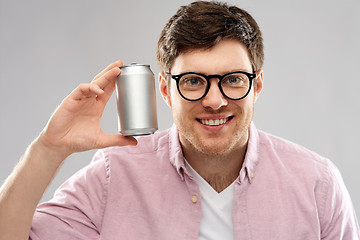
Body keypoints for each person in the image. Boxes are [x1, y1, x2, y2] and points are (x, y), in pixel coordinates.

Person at [0, 1, 359, 239]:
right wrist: (49, 148)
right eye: (193, 81)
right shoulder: (114, 175)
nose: (214, 101)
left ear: (257, 85)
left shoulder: (317, 185)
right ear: (166, 90)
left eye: (233, 79)